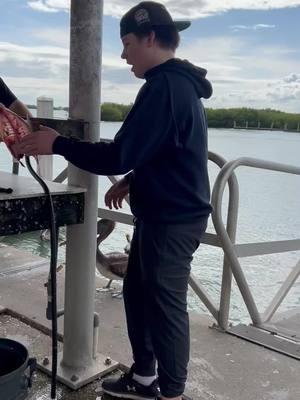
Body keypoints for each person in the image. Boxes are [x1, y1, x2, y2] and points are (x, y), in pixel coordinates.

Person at [16, 2, 213, 399]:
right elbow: (166, 148)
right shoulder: (174, 86)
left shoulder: (166, 88)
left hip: (172, 222)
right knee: (138, 295)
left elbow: (117, 154)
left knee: (164, 308)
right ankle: (143, 379)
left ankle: (171, 393)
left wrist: (58, 143)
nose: (124, 55)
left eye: (127, 43)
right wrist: (134, 179)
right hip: (160, 214)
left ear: (150, 38)